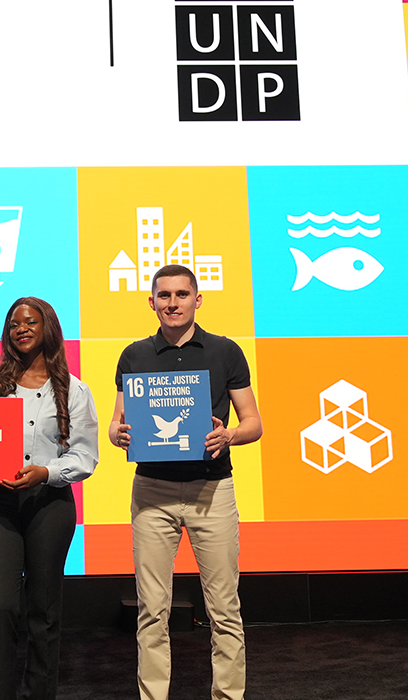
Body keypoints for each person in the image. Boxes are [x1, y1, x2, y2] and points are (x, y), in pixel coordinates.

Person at [109, 264, 263, 700]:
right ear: (152, 302)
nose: (172, 303)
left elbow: (253, 423)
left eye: (181, 294)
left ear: (198, 299)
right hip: (152, 492)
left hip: (212, 490)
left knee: (224, 607)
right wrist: (118, 434)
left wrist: (229, 435)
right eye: (164, 295)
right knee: (151, 610)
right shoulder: (134, 355)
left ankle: (228, 696)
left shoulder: (225, 351)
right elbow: (117, 423)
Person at [0, 297, 99, 700]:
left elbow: (85, 456)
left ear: (47, 328)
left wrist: (46, 472)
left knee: (43, 609)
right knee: (0, 605)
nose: (21, 329)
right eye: (14, 324)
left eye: (30, 322)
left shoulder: (74, 390)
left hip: (50, 503)